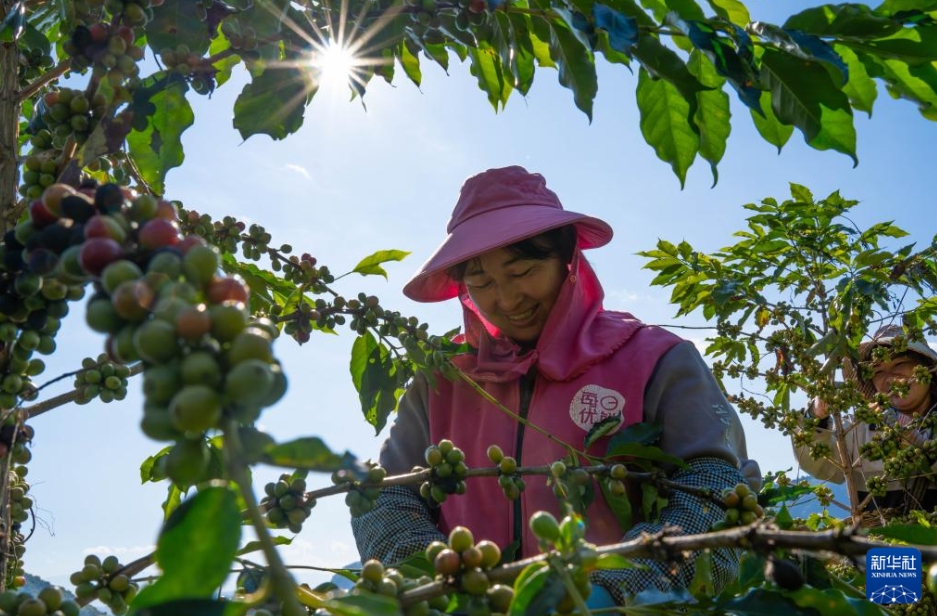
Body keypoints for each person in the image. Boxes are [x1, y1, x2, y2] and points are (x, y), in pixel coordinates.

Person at [351, 166, 761, 604]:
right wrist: (446, 585)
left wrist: (614, 593)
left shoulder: (657, 360)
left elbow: (715, 488)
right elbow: (385, 497)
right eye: (482, 282)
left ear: (568, 260)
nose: (507, 300)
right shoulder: (442, 381)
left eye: (523, 270)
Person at [794, 324, 937, 518]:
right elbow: (820, 465)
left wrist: (916, 442)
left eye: (899, 364)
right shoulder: (860, 427)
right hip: (882, 546)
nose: (890, 379)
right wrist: (815, 415)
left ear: (926, 368)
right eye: (878, 372)